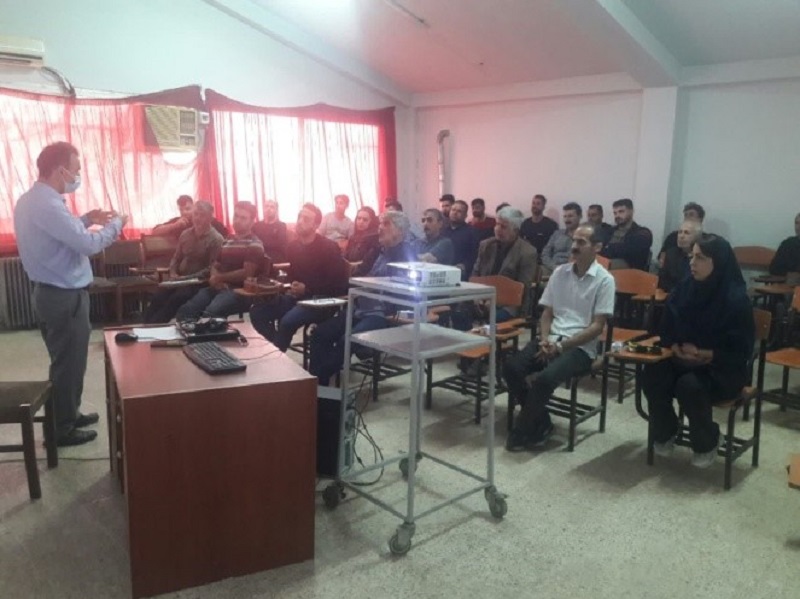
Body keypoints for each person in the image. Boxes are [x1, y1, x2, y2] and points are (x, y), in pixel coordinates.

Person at [13, 141, 127, 446]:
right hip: (63, 296)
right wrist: (117, 225)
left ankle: (69, 414)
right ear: (59, 169)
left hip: (52, 293)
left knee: (69, 361)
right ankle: (61, 429)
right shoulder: (48, 204)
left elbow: (62, 232)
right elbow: (87, 244)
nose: (77, 176)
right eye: (76, 170)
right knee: (67, 364)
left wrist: (87, 219)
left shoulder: (32, 200)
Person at [643, 235, 754, 468]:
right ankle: (666, 430)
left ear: (718, 262)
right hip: (682, 359)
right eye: (692, 256)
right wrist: (674, 346)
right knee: (653, 374)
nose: (692, 263)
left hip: (722, 368)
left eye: (701, 258)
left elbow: (741, 352)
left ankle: (707, 441)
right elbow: (666, 328)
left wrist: (705, 354)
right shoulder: (685, 288)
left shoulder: (736, 300)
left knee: (690, 386)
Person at [504, 223, 615, 451]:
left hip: (580, 348)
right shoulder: (559, 273)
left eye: (581, 242)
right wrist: (545, 339)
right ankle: (542, 421)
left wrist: (561, 346)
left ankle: (522, 430)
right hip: (551, 339)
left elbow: (597, 327)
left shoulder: (605, 280)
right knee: (511, 368)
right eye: (574, 240)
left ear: (597, 247)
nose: (574, 246)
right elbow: (547, 313)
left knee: (544, 380)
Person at [308, 210, 416, 385]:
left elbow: (400, 291)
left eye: (386, 224)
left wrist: (367, 286)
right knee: (320, 334)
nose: (380, 228)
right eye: (380, 223)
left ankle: (316, 383)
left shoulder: (407, 256)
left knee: (346, 341)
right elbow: (357, 274)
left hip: (383, 313)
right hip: (359, 306)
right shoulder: (377, 250)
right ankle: (318, 386)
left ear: (400, 232)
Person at [250, 203, 349, 352]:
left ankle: (276, 355)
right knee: (257, 312)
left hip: (321, 301)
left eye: (306, 219)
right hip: (297, 298)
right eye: (299, 217)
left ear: (316, 225)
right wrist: (286, 284)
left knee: (287, 321)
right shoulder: (293, 247)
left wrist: (307, 288)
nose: (300, 221)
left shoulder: (329, 247)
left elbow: (338, 284)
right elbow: (293, 276)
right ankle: (277, 349)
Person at [175, 201, 264, 320]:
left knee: (210, 314)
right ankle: (193, 332)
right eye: (236, 216)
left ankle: (210, 332)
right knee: (186, 310)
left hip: (240, 291)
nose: (237, 220)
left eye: (243, 218)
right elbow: (215, 265)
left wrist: (220, 278)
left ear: (252, 222)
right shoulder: (228, 240)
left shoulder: (255, 244)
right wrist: (215, 279)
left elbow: (246, 273)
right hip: (219, 287)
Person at [143, 201, 224, 323]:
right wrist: (173, 272)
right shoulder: (185, 234)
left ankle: (155, 327)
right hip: (178, 279)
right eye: (195, 214)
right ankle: (144, 327)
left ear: (210, 218)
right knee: (158, 296)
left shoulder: (216, 239)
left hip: (198, 282)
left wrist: (186, 278)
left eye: (202, 215)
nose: (197, 218)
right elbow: (176, 258)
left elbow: (211, 268)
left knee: (175, 299)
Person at [472, 206, 538, 321]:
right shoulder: (486, 245)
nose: (497, 229)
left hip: (508, 305)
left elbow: (522, 289)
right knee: (458, 311)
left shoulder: (527, 252)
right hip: (482, 298)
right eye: (497, 224)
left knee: (493, 319)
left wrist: (496, 300)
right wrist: (478, 297)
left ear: (515, 231)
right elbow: (476, 274)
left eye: (503, 227)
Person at [600, 198, 653, 270]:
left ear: (631, 211)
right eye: (615, 213)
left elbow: (630, 251)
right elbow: (599, 248)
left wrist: (608, 247)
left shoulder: (642, 232)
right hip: (605, 265)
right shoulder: (610, 230)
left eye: (621, 212)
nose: (617, 216)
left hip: (630, 270)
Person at [152, 195, 228, 238]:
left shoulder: (206, 218)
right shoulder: (178, 222)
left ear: (194, 207)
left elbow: (225, 232)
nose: (184, 212)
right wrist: (174, 225)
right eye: (181, 210)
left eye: (187, 209)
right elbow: (155, 231)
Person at [658, 219, 702, 293]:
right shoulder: (671, 254)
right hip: (672, 294)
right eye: (680, 232)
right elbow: (662, 280)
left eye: (686, 233)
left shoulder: (702, 257)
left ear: (697, 237)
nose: (681, 236)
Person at [541, 202, 582, 275]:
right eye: (565, 216)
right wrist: (554, 266)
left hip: (573, 271)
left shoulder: (584, 236)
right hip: (552, 268)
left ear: (579, 216)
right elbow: (545, 253)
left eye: (570, 216)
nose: (567, 219)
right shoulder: (557, 234)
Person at [445, 200, 480, 279]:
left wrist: (465, 265)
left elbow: (475, 254)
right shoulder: (443, 231)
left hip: (461, 273)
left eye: (459, 211)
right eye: (453, 210)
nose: (455, 213)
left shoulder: (472, 232)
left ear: (465, 215)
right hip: (442, 271)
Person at [344, 206, 381, 272]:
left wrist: (347, 266)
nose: (361, 222)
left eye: (365, 220)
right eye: (359, 218)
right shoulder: (353, 237)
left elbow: (367, 263)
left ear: (371, 222)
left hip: (363, 272)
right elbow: (346, 256)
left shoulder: (374, 239)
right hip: (349, 269)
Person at [251, 199, 288, 263]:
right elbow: (252, 243)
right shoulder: (256, 226)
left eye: (272, 207)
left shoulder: (281, 225)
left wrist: (260, 244)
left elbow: (280, 244)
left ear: (276, 210)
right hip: (258, 256)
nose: (268, 209)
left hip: (275, 257)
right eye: (266, 206)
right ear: (263, 209)